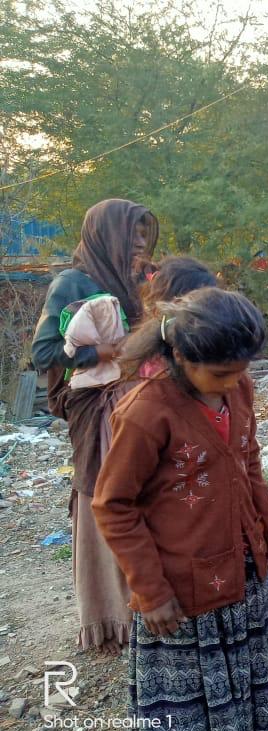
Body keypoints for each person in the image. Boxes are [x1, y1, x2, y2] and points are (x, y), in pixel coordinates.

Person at [92, 288, 268, 731]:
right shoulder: (145, 412)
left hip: (242, 574)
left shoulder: (238, 390)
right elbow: (114, 505)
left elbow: (248, 461)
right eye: (220, 374)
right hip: (182, 595)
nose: (235, 383)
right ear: (179, 356)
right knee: (189, 713)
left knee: (247, 683)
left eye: (242, 370)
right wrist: (150, 590)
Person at [30, 198, 158, 654]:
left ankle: (150, 603)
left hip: (140, 402)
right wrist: (99, 354)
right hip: (96, 408)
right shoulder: (72, 283)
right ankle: (110, 619)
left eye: (145, 235)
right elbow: (43, 354)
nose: (141, 243)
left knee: (150, 496)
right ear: (108, 237)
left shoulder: (138, 280)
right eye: (133, 235)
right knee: (106, 497)